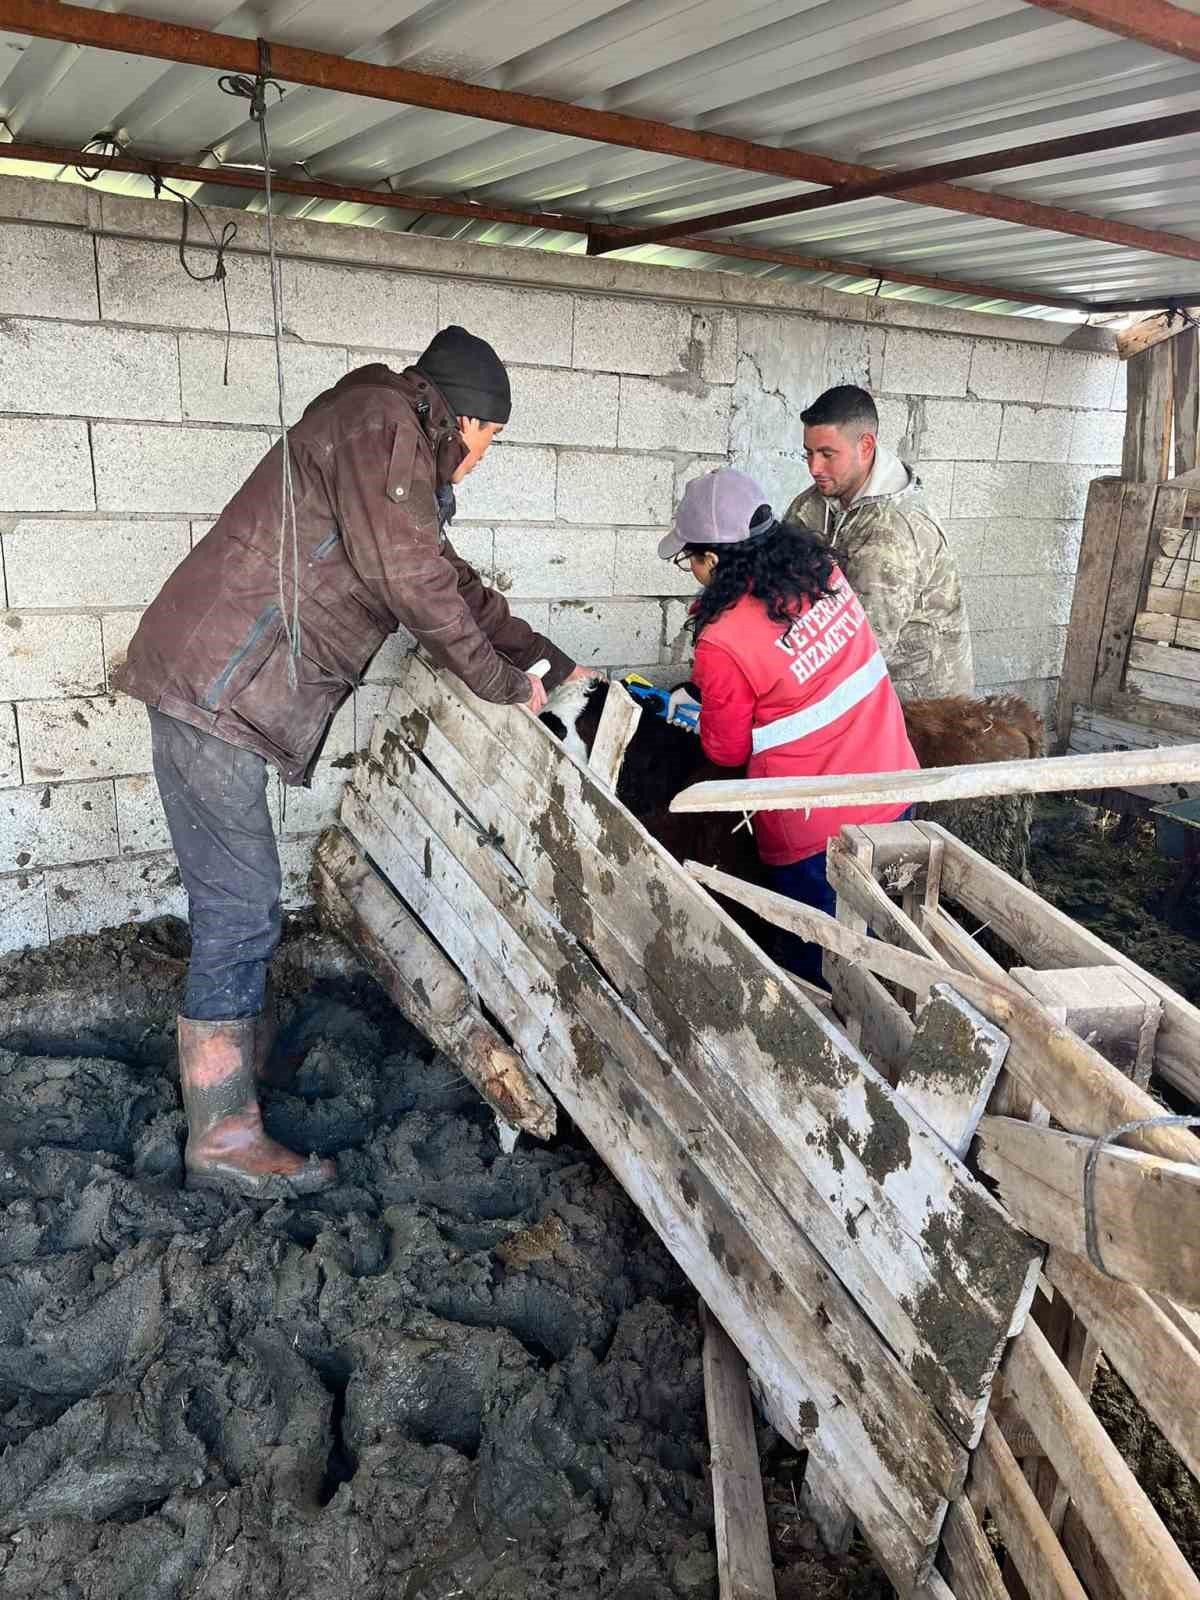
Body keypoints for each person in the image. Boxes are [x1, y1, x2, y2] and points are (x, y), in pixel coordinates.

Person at [123, 325, 592, 1198]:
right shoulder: (382, 425)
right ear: (463, 417)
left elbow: (448, 582)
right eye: (491, 437)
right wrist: (501, 685)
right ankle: (222, 1131)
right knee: (241, 905)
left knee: (243, 901)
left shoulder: (384, 444)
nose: (486, 457)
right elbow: (417, 590)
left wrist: (554, 663)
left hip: (221, 684)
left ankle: (236, 1070)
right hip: (214, 687)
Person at [659, 468, 919, 985]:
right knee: (887, 954)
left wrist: (705, 703)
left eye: (690, 558)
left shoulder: (723, 637)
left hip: (817, 832)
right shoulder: (822, 572)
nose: (691, 568)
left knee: (817, 971)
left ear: (712, 559)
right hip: (894, 788)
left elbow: (727, 750)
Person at [784, 385, 973, 700]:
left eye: (827, 454)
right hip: (853, 680)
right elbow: (775, 578)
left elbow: (863, 651)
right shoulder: (814, 504)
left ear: (866, 445)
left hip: (919, 709)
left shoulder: (894, 531)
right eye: (809, 453)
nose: (814, 468)